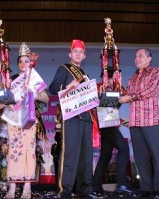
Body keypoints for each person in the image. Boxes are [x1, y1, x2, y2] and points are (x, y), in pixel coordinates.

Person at [49, 39, 101, 199]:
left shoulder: (85, 75)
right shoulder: (64, 69)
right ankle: (64, 191)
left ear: (84, 56)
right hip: (70, 116)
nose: (78, 54)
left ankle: (84, 190)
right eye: (75, 52)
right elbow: (52, 88)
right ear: (70, 54)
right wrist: (67, 86)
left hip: (86, 117)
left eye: (81, 52)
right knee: (70, 153)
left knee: (85, 155)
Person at [118, 48, 159, 199]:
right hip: (135, 122)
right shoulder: (132, 78)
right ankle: (146, 188)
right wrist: (117, 86)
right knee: (140, 157)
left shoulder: (156, 72)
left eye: (140, 56)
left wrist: (129, 97)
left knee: (157, 156)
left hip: (152, 120)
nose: (137, 58)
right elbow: (125, 95)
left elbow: (151, 90)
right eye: (136, 56)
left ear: (149, 58)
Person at [1, 42, 49, 199]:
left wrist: (33, 94)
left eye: (26, 61)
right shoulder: (13, 80)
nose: (23, 64)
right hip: (13, 119)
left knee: (29, 150)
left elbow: (46, 98)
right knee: (14, 151)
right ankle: (12, 187)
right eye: (20, 61)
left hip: (28, 118)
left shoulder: (34, 78)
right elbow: (3, 101)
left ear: (31, 63)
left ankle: (27, 187)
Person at [92, 70, 132, 196]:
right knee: (124, 147)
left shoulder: (117, 87)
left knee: (106, 155)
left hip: (110, 121)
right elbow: (96, 107)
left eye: (115, 78)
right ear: (104, 77)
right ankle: (122, 184)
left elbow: (125, 97)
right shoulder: (98, 87)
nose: (112, 80)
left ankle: (96, 185)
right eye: (110, 78)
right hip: (103, 122)